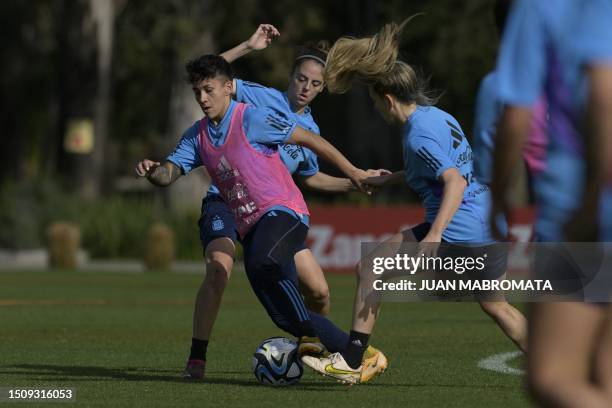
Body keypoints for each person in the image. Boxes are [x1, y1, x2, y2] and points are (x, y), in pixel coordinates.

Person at [135, 54, 388, 383]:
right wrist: (154, 171)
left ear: (228, 89)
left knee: (265, 263)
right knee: (282, 311)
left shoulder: (252, 118)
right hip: (247, 222)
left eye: (208, 90)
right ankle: (356, 353)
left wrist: (353, 174)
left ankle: (335, 347)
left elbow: (310, 140)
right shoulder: (196, 135)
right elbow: (169, 173)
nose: (202, 98)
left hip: (283, 212)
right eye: (197, 92)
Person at [301, 18, 528, 384]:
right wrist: (390, 177)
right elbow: (447, 170)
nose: (376, 109)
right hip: (486, 219)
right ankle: (557, 362)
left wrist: (435, 235)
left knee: (371, 268)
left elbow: (452, 181)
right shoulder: (438, 117)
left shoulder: (417, 135)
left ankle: (354, 359)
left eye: (376, 102)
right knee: (498, 306)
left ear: (388, 98)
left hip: (459, 227)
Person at [180, 24, 369, 380]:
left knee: (319, 289)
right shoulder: (261, 98)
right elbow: (211, 75)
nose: (306, 88)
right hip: (227, 200)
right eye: (301, 79)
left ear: (323, 87)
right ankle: (197, 357)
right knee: (219, 269)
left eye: (315, 84)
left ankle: (316, 349)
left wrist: (355, 182)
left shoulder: (310, 128)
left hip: (273, 213)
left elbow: (311, 177)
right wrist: (248, 46)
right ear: (291, 76)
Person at [490, 0, 612, 405]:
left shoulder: (539, 7)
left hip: (582, 201)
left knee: (550, 376)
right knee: (602, 372)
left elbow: (516, 115)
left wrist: (498, 193)